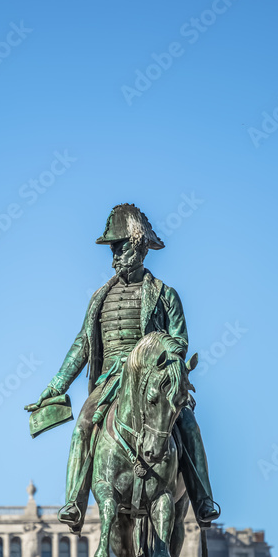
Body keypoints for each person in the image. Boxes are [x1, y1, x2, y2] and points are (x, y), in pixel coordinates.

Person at [26, 203, 219, 534]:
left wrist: (156, 355)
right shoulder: (101, 297)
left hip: (152, 379)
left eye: (120, 246)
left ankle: (203, 498)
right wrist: (56, 386)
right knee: (84, 425)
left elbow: (180, 341)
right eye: (112, 248)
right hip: (110, 379)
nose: (115, 255)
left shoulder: (164, 294)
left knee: (187, 424)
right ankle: (74, 500)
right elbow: (83, 345)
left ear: (139, 246)